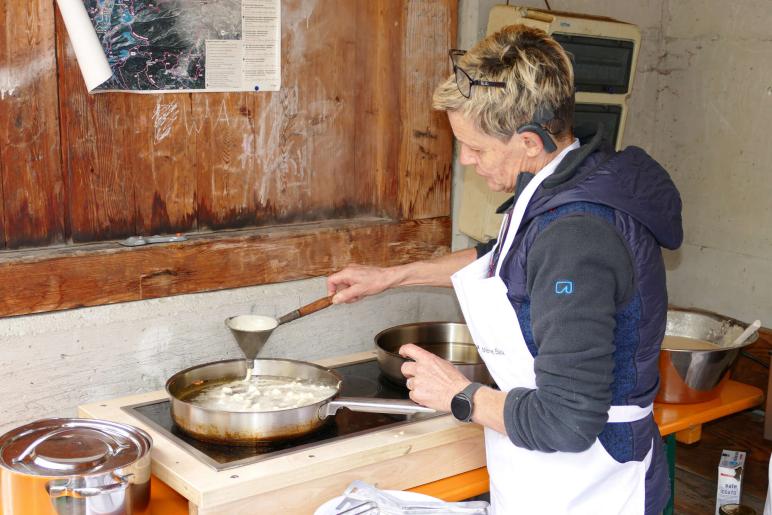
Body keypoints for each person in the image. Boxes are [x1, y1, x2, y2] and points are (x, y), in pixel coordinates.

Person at [327, 24, 682, 515]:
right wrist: (392, 276)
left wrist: (459, 394)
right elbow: (503, 256)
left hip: (592, 487)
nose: (466, 160)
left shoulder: (577, 236)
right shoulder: (567, 182)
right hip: (545, 476)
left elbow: (565, 421)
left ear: (531, 142)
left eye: (477, 148)